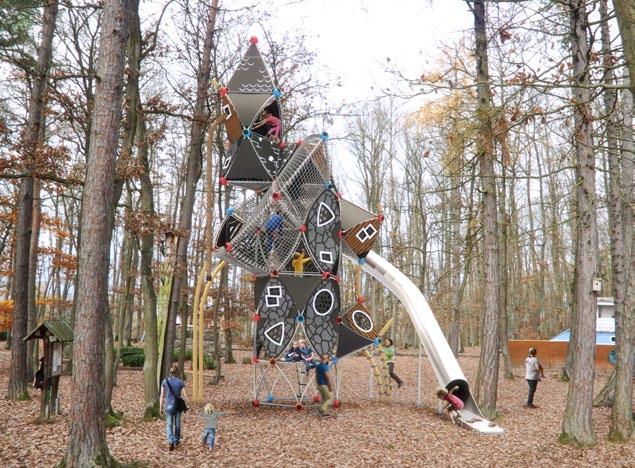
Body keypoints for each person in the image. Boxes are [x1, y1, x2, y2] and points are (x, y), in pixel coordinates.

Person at [160, 363, 188, 451]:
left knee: (169, 424)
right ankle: (176, 441)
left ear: (170, 373)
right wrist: (189, 404)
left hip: (168, 405)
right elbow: (185, 394)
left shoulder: (165, 381)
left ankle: (170, 440)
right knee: (178, 424)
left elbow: (162, 395)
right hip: (178, 406)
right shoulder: (180, 382)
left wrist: (160, 407)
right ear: (177, 373)